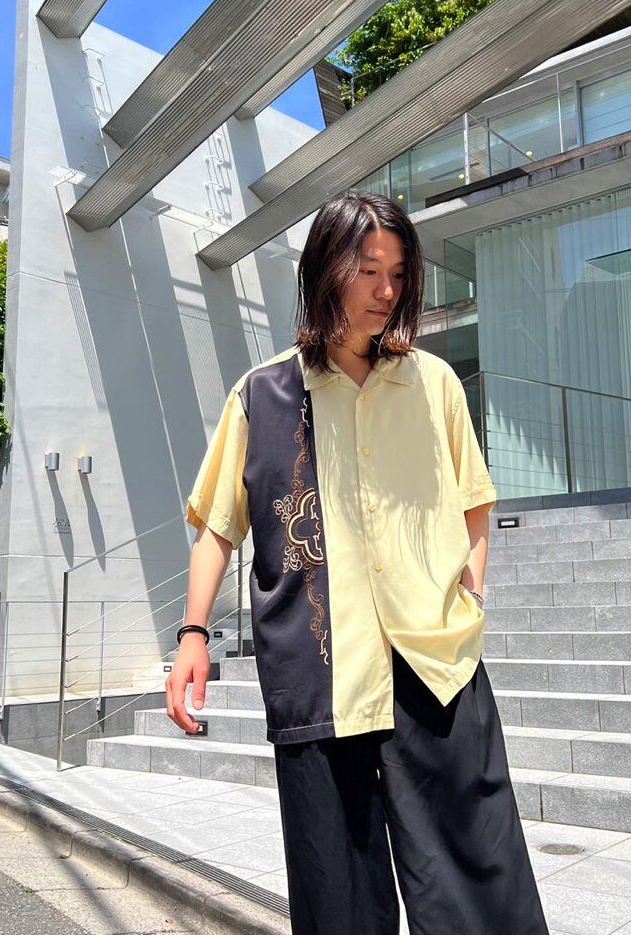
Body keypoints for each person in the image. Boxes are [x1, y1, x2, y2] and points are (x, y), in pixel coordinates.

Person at [168, 190, 549, 935]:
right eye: (368, 269)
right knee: (336, 897)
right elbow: (217, 527)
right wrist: (192, 636)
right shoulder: (263, 396)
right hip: (318, 673)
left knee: (478, 886)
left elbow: (474, 501)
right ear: (325, 270)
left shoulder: (432, 383)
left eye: (398, 274)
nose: (385, 290)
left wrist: (471, 597)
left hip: (434, 667)